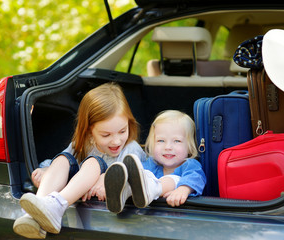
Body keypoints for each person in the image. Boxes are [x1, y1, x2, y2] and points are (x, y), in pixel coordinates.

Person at [13, 82, 146, 239]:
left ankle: (56, 207)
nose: (116, 141)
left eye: (122, 131)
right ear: (90, 130)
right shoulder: (84, 143)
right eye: (106, 135)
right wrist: (45, 170)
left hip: (96, 206)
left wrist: (108, 178)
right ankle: (34, 215)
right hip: (74, 190)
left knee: (93, 162)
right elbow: (61, 164)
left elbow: (141, 179)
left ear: (129, 123)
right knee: (63, 159)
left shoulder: (132, 149)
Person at [104, 110, 206, 213]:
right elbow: (137, 176)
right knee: (142, 174)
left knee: (175, 179)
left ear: (189, 146)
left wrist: (183, 189)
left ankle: (148, 190)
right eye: (161, 141)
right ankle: (123, 192)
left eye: (177, 141)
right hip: (146, 215)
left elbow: (196, 178)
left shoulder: (189, 165)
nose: (168, 147)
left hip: (175, 216)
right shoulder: (151, 164)